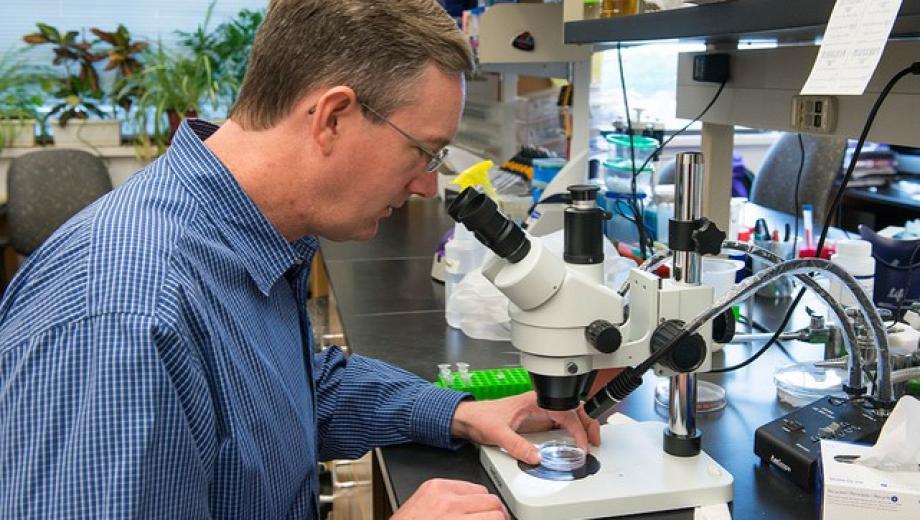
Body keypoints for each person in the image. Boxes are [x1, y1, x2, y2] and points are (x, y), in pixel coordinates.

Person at [0, 1, 600, 518]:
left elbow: (293, 390)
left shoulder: (246, 237)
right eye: (423, 152)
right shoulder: (122, 319)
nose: (424, 185)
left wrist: (460, 414)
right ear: (332, 118)